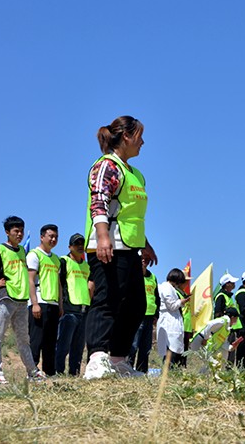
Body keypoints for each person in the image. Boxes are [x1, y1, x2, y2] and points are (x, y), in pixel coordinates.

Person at [84, 115, 158, 379]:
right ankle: (97, 359)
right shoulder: (107, 166)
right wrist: (103, 236)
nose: (143, 142)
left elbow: (132, 214)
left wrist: (146, 244)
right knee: (107, 300)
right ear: (126, 136)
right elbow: (99, 202)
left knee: (136, 304)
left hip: (130, 246)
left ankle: (117, 360)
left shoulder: (135, 174)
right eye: (139, 136)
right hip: (109, 244)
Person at [0, 216, 44, 384]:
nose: (19, 234)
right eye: (15, 231)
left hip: (21, 300)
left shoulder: (22, 251)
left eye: (21, 231)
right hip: (5, 297)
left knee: (23, 339)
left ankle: (32, 372)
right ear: (7, 232)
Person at [27, 224, 61, 377]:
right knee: (36, 339)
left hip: (53, 304)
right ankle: (32, 371)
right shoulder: (34, 255)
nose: (53, 239)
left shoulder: (56, 259)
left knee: (50, 341)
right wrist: (34, 303)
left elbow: (59, 284)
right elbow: (30, 280)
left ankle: (50, 372)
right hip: (39, 302)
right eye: (50, 236)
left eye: (56, 237)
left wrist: (60, 304)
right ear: (42, 237)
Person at [55, 233, 92, 376]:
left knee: (78, 346)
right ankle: (58, 371)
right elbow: (59, 283)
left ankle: (74, 373)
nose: (80, 246)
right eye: (76, 244)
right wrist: (60, 305)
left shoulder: (87, 266)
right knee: (63, 344)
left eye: (82, 244)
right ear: (70, 247)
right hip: (69, 309)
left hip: (84, 309)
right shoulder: (63, 261)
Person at [129, 260, 160, 373]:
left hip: (149, 316)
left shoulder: (152, 277)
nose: (143, 262)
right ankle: (128, 369)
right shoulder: (131, 275)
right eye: (141, 259)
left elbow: (156, 297)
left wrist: (156, 314)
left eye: (146, 260)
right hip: (136, 315)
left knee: (146, 347)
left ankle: (142, 371)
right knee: (133, 345)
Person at [157, 268, 190, 367]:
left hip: (171, 318)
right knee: (171, 347)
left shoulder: (168, 287)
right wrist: (182, 301)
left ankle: (171, 368)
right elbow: (171, 305)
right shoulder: (167, 288)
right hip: (169, 320)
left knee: (173, 346)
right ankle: (169, 369)